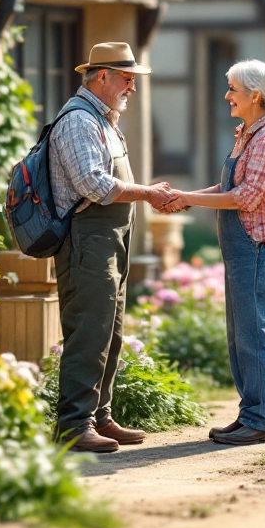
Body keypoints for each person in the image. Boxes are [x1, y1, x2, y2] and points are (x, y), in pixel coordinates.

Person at [48, 41, 179, 453]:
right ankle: (73, 424)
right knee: (89, 330)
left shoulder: (104, 120)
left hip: (110, 239)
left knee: (111, 331)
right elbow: (94, 185)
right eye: (127, 79)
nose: (133, 88)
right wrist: (147, 193)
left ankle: (100, 417)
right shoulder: (78, 121)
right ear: (101, 76)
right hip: (87, 241)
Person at [164, 60, 265, 446]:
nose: (227, 96)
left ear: (255, 96)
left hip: (256, 247)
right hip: (259, 247)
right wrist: (186, 199)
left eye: (233, 89)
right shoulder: (251, 133)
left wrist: (187, 197)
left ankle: (258, 420)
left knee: (251, 335)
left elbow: (247, 197)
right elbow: (229, 184)